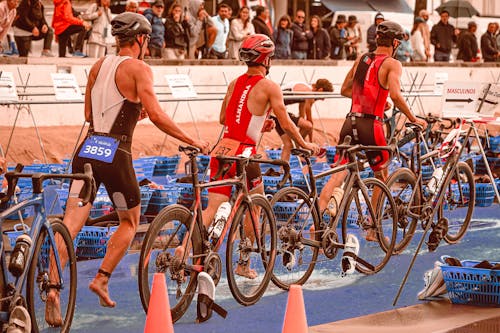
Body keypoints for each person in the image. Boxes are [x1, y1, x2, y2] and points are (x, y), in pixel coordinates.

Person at [45, 12, 209, 325]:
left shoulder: (98, 65)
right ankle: (102, 278)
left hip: (87, 152)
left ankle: (53, 288)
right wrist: (194, 141)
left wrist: (131, 113)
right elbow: (158, 115)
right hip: (115, 156)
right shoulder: (139, 69)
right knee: (129, 221)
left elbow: (90, 114)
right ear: (140, 39)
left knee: (70, 223)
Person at [187, 34, 319, 279]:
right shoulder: (269, 86)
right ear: (266, 59)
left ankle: (181, 252)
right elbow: (287, 122)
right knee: (255, 207)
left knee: (211, 208)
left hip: (223, 148)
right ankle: (243, 263)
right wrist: (304, 144)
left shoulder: (234, 83)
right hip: (245, 152)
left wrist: (260, 122)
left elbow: (224, 119)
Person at [318, 21, 426, 240]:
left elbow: (345, 90)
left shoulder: (362, 59)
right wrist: (414, 118)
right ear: (395, 43)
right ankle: (373, 229)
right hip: (372, 125)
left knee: (338, 173)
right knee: (382, 175)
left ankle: (317, 225)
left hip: (350, 122)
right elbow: (395, 95)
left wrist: (372, 99)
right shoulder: (392, 64)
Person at [270, 79, 333, 163]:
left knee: (288, 145)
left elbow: (302, 115)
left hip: (273, 112)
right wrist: (310, 142)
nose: (323, 99)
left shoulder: (305, 91)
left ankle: (282, 170)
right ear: (321, 90)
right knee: (308, 126)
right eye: (324, 96)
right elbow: (310, 122)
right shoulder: (309, 94)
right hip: (276, 110)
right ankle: (300, 146)